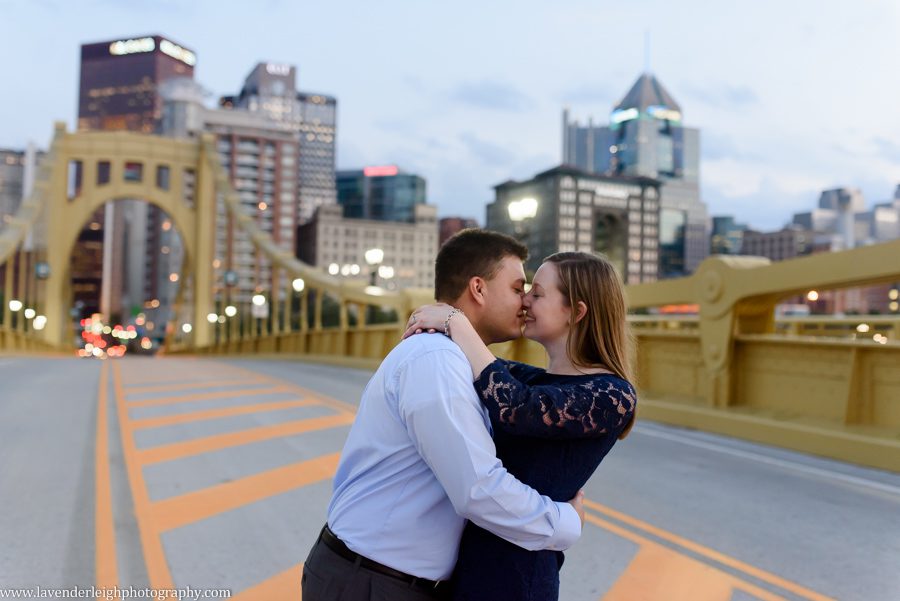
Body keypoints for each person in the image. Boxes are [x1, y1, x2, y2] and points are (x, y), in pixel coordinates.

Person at [301, 230, 585, 601]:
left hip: (382, 577)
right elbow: (477, 489)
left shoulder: (460, 358)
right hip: (373, 582)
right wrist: (564, 521)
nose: (526, 302)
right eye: (518, 288)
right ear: (479, 289)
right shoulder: (437, 360)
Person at [404, 251, 637, 601]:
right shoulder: (532, 379)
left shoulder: (611, 394)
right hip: (470, 567)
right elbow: (488, 371)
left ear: (576, 312)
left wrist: (456, 320)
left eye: (537, 294)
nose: (525, 300)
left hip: (516, 579)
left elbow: (515, 406)